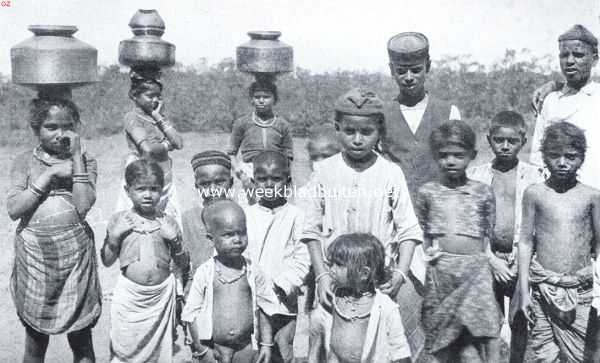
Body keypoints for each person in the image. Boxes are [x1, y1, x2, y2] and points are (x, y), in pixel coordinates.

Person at [300, 88, 423, 362]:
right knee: (330, 346)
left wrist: (400, 274)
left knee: (375, 347)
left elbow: (409, 230)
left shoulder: (390, 172)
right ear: (337, 129)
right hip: (334, 279)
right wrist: (321, 277)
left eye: (366, 132)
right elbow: (310, 230)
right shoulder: (325, 171)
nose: (357, 139)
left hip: (375, 280)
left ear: (379, 131)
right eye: (349, 131)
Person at [8, 98, 102, 363]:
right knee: (36, 341)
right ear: (36, 128)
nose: (60, 134)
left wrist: (76, 159)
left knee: (82, 339)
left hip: (76, 259)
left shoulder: (85, 160)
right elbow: (14, 209)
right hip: (36, 259)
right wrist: (48, 176)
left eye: (67, 126)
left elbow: (83, 205)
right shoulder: (24, 161)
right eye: (51, 126)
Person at [416, 120, 502, 362]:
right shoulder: (427, 192)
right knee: (439, 330)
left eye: (458, 155)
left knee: (487, 329)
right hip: (441, 271)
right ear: (435, 156)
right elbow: (425, 232)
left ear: (472, 155)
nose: (451, 161)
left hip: (476, 271)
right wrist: (430, 256)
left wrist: (485, 259)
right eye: (444, 155)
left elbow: (488, 230)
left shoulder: (483, 191)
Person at [518, 122, 599, 362]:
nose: (562, 163)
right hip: (543, 289)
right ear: (544, 156)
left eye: (571, 156)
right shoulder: (534, 194)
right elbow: (525, 242)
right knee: (545, 354)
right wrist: (524, 293)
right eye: (554, 156)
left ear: (582, 158)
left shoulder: (592, 196)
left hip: (581, 290)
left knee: (583, 355)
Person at [467, 111, 544, 362]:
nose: (505, 146)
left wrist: (521, 260)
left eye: (512, 141)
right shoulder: (476, 176)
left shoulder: (534, 176)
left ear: (523, 141)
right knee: (488, 323)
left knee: (519, 319)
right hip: (487, 259)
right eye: (499, 140)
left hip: (521, 260)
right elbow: (471, 223)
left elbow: (538, 223)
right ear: (489, 140)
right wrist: (491, 259)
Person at [102, 159, 191, 363]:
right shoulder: (119, 220)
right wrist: (114, 237)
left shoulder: (168, 221)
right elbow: (107, 261)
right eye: (141, 189)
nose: (148, 195)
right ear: (128, 190)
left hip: (160, 298)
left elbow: (183, 263)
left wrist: (175, 241)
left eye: (154, 189)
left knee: (159, 353)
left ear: (162, 190)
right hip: (131, 297)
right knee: (124, 347)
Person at [182, 199, 277, 363]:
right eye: (228, 234)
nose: (237, 239)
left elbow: (265, 307)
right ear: (211, 239)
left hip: (245, 347)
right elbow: (191, 313)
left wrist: (266, 344)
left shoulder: (252, 270)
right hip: (215, 347)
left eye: (242, 232)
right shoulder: (205, 272)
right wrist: (202, 349)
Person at [244, 150, 311, 363]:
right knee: (254, 350)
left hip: (282, 298)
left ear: (288, 181)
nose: (269, 185)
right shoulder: (246, 215)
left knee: (283, 348)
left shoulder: (296, 216)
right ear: (254, 181)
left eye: (276, 179)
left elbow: (303, 258)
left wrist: (283, 284)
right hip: (250, 296)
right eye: (262, 179)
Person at [383, 31, 461, 201]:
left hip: (439, 207)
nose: (409, 77)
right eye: (402, 71)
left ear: (428, 66)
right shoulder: (381, 115)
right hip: (395, 210)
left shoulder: (449, 112)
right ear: (392, 70)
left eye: (416, 70)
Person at [529, 24, 600, 190]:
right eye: (564, 55)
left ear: (595, 59)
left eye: (578, 55)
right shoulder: (550, 101)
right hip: (558, 198)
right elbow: (537, 158)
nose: (570, 61)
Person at [326, 233, 412, 363]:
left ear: (364, 273)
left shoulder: (385, 307)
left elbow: (400, 350)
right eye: (331, 264)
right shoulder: (334, 297)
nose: (331, 270)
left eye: (338, 264)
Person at [115, 73, 184, 227]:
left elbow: (179, 143)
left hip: (164, 172)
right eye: (149, 96)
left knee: (166, 218)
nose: (155, 100)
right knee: (139, 218)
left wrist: (157, 115)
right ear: (134, 96)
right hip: (142, 172)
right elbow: (147, 150)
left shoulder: (158, 117)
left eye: (158, 97)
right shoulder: (132, 117)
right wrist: (166, 145)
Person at [228, 80, 294, 190]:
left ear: (275, 100)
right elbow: (231, 154)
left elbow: (288, 156)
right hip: (249, 171)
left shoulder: (283, 125)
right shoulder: (242, 123)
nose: (261, 101)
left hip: (275, 172)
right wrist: (241, 174)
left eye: (266, 97)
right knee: (248, 205)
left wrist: (286, 177)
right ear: (251, 100)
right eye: (257, 97)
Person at [182, 150, 237, 272]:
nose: (213, 189)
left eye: (219, 182)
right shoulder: (188, 218)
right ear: (197, 186)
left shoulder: (241, 214)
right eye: (205, 184)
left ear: (231, 182)